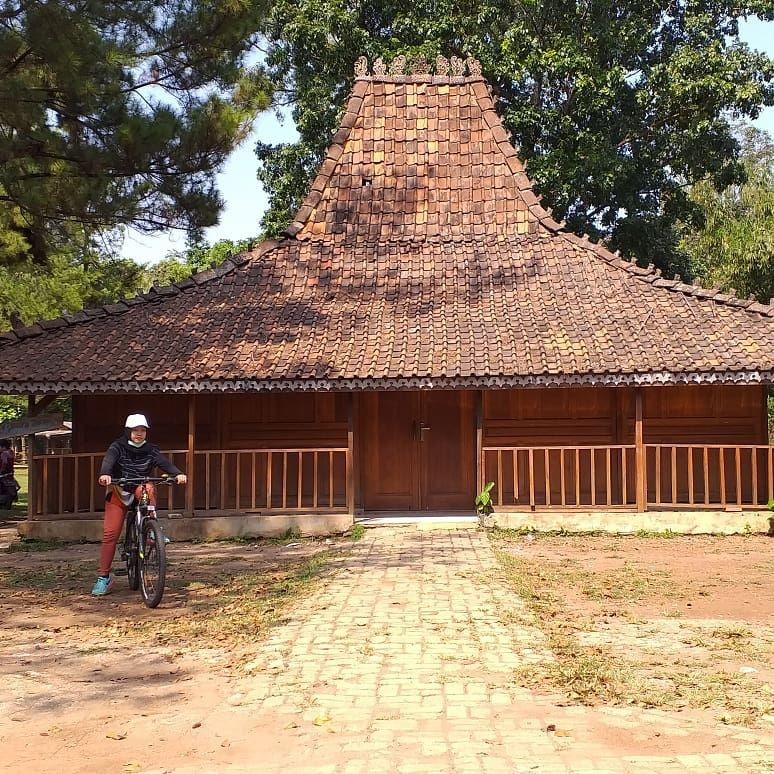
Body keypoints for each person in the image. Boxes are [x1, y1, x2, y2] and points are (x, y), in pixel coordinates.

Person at [92, 414, 187, 596]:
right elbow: (108, 462)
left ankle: (151, 530)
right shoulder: (117, 446)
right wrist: (105, 474)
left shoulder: (151, 449)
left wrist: (178, 473)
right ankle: (103, 577)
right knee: (110, 534)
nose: (139, 434)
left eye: (142, 430)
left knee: (148, 488)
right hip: (119, 490)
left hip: (140, 488)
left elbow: (164, 463)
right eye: (135, 430)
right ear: (128, 431)